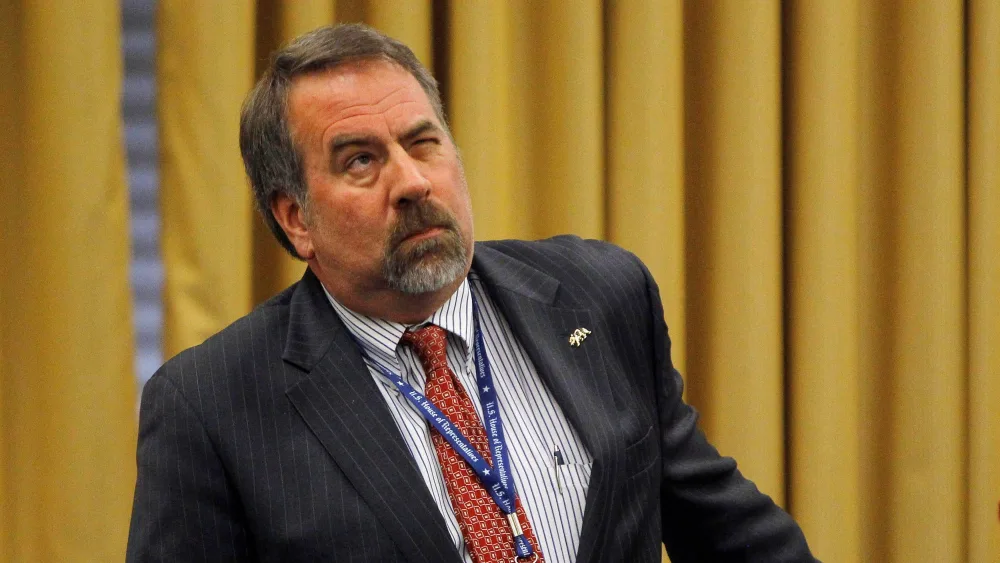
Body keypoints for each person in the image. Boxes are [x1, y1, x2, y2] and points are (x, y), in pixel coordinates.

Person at [126, 23, 816, 563]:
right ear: (296, 217)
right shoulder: (211, 405)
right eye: (361, 160)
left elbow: (730, 535)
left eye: (423, 142)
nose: (413, 182)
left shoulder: (601, 298)